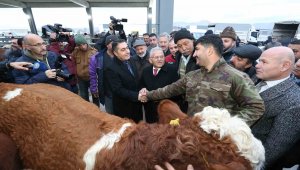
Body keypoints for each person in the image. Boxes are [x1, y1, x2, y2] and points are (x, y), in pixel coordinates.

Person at [140, 34, 264, 126]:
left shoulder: (236, 77)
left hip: (218, 142)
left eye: (197, 49)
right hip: (193, 134)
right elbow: (168, 90)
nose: (194, 54)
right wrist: (147, 95)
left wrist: (227, 125)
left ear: (209, 51)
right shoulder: (192, 75)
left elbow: (256, 107)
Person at [251, 47, 300, 169]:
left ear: (284, 66)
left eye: (264, 62)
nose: (257, 65)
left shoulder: (294, 102)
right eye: (259, 61)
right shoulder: (258, 80)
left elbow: (274, 148)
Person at [106, 39, 143, 123]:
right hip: (124, 108)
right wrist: (137, 96)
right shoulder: (111, 68)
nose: (127, 51)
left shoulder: (131, 60)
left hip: (137, 106)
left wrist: (142, 89)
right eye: (123, 50)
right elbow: (118, 90)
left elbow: (136, 79)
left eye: (127, 48)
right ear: (115, 53)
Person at [140, 47, 180, 123]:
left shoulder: (172, 70)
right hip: (150, 110)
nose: (160, 59)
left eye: (161, 57)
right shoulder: (146, 71)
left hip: (166, 110)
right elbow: (141, 85)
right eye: (156, 57)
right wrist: (142, 90)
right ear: (150, 60)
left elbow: (176, 91)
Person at [89, 35, 118, 113]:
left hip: (120, 91)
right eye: (112, 43)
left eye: (116, 43)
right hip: (107, 92)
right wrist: (94, 89)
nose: (115, 45)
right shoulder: (97, 58)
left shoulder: (121, 55)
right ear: (107, 45)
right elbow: (93, 75)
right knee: (110, 113)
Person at [71, 34, 98, 104]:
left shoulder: (94, 52)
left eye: (83, 44)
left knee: (95, 96)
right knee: (84, 98)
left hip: (91, 79)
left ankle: (96, 111)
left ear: (86, 43)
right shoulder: (76, 51)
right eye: (80, 45)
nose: (82, 47)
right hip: (81, 79)